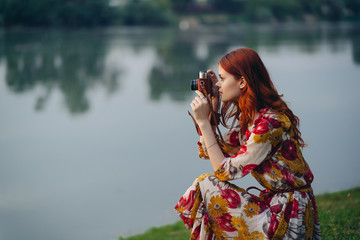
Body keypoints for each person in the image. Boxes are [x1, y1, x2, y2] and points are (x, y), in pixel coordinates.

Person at [174, 48, 321, 240]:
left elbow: (223, 171)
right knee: (204, 186)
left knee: (207, 184)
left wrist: (202, 122)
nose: (218, 85)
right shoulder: (252, 118)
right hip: (276, 207)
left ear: (242, 82)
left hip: (288, 217)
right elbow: (210, 151)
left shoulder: (269, 123)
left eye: (222, 78)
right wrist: (212, 114)